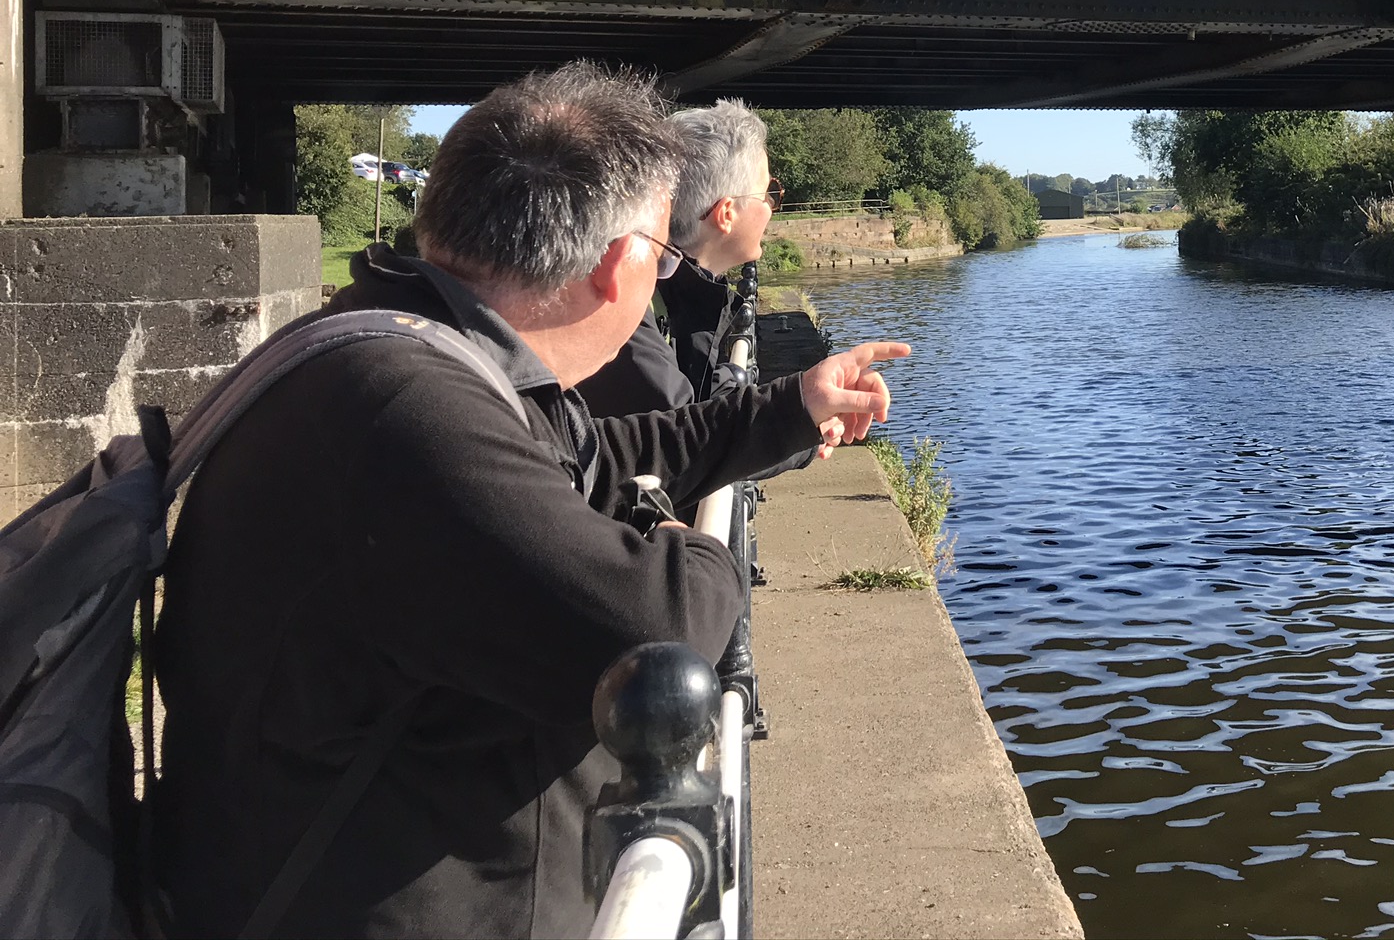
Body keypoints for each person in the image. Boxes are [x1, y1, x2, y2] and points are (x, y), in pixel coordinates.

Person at [151, 64, 907, 939]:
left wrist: (790, 406)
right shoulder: (411, 416)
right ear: (622, 265)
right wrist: (687, 542)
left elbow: (598, 455)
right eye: (664, 256)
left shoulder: (403, 342)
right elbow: (655, 624)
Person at [578, 98, 779, 418]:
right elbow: (686, 438)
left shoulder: (663, 287)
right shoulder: (631, 306)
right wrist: (806, 410)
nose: (770, 205)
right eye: (767, 193)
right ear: (726, 214)